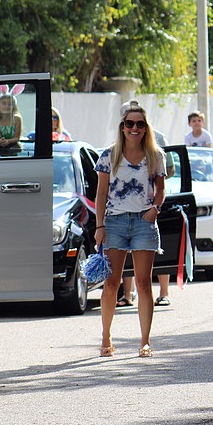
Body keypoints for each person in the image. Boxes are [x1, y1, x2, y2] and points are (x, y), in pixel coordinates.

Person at [94, 102, 167, 358]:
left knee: (144, 283)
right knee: (111, 283)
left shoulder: (156, 156)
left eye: (140, 124)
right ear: (122, 127)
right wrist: (99, 226)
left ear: (146, 128)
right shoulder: (108, 155)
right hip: (114, 221)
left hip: (143, 222)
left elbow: (161, 189)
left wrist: (155, 209)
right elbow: (101, 194)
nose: (134, 128)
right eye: (129, 124)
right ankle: (106, 337)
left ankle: (145, 341)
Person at [117, 100, 176, 307]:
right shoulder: (119, 140)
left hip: (151, 203)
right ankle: (127, 294)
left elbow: (169, 169)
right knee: (126, 254)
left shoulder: (157, 138)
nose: (134, 127)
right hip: (123, 210)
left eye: (138, 123)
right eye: (127, 120)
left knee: (159, 248)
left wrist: (153, 193)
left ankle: (165, 292)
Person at [0, 85, 24, 154]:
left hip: (13, 145)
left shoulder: (17, 118)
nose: (7, 106)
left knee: (13, 149)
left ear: (14, 106)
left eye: (10, 104)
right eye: (4, 103)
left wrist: (8, 141)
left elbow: (17, 138)